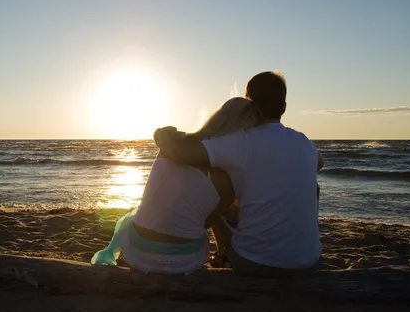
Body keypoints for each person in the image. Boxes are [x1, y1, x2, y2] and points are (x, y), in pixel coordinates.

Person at [153, 72, 324, 277]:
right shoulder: (304, 142)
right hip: (309, 261)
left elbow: (182, 154)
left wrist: (160, 135)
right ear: (284, 107)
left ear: (248, 105)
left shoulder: (241, 142)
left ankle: (223, 254)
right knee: (313, 188)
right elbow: (318, 163)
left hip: (256, 262)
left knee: (219, 193)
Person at [91, 97, 263, 274]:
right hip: (182, 261)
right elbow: (205, 222)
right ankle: (222, 255)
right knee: (219, 214)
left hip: (138, 251)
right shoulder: (229, 178)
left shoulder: (171, 144)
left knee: (142, 214)